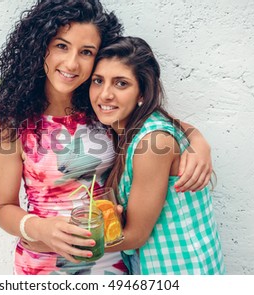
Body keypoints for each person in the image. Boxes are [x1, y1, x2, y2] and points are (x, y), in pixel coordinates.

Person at [0, 0, 212, 275]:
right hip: (43, 263)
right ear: (41, 47)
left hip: (110, 258)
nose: (72, 63)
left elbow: (159, 124)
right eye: (62, 46)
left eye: (86, 52)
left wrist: (198, 142)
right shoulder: (11, 122)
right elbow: (4, 208)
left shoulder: (101, 108)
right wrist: (41, 230)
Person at [88, 36, 225, 274]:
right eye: (98, 81)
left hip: (179, 271)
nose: (104, 95)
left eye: (121, 84)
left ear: (142, 93)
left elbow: (135, 236)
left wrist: (51, 242)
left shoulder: (152, 143)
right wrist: (197, 136)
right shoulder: (127, 126)